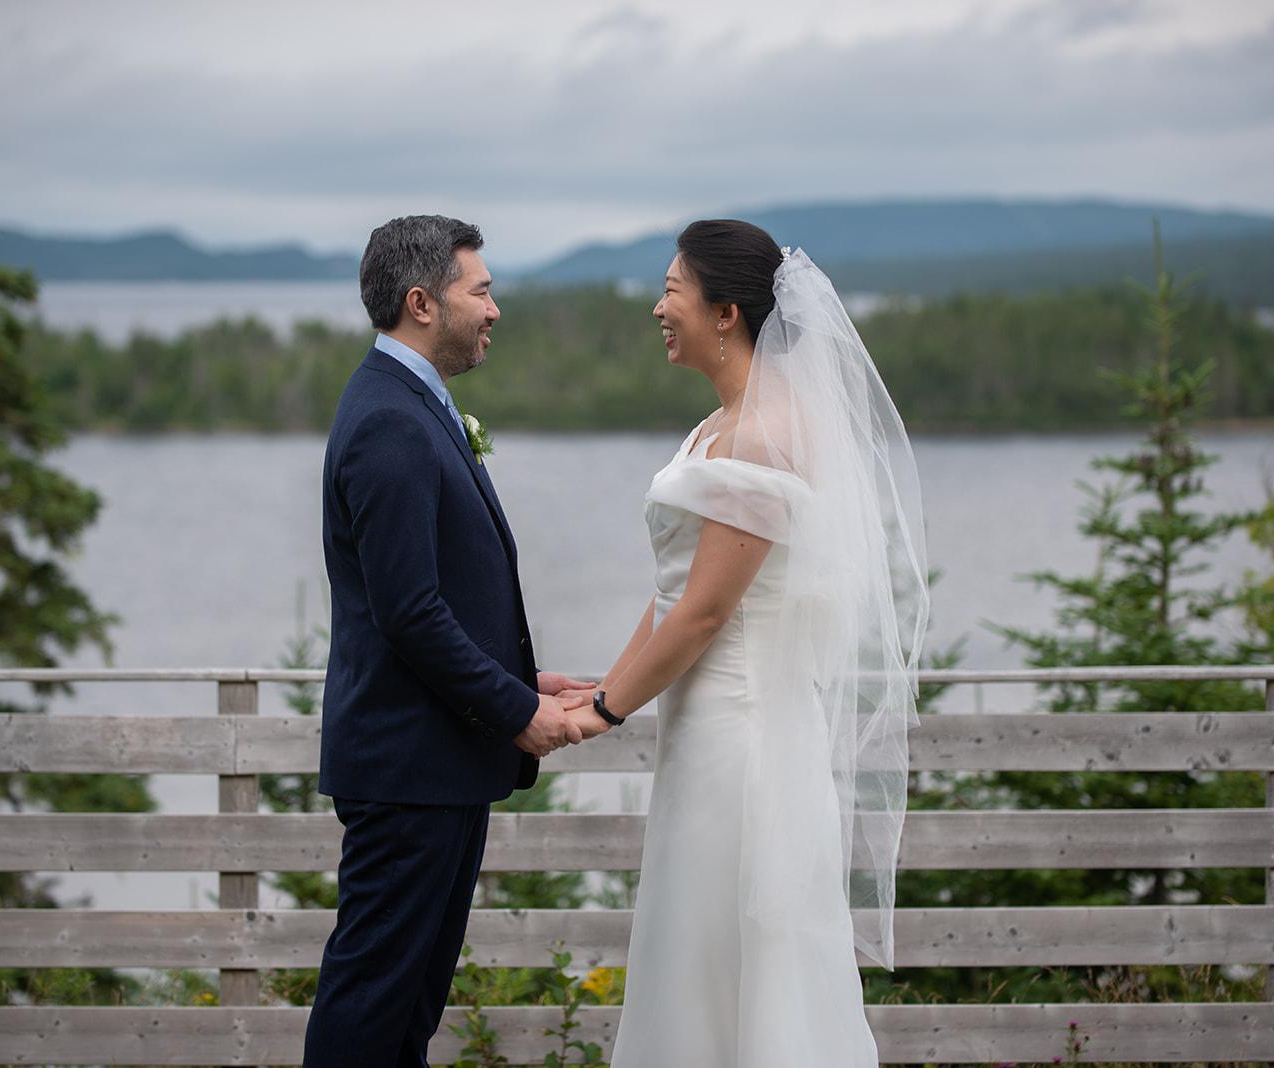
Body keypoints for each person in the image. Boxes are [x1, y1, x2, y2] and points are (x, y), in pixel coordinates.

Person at [593, 220, 930, 1066]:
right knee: (693, 944)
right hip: (702, 729)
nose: (658, 307)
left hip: (744, 741)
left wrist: (604, 711)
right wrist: (598, 685)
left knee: (744, 950)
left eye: (673, 290)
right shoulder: (719, 425)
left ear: (726, 312)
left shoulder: (766, 435)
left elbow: (706, 616)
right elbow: (672, 592)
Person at [302, 214, 603, 1068]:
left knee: (406, 1008)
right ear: (422, 302)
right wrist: (516, 712)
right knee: (373, 1001)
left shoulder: (411, 405)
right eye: (482, 289)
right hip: (409, 769)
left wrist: (522, 675)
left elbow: (432, 599)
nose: (495, 308)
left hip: (431, 763)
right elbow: (409, 613)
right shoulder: (390, 422)